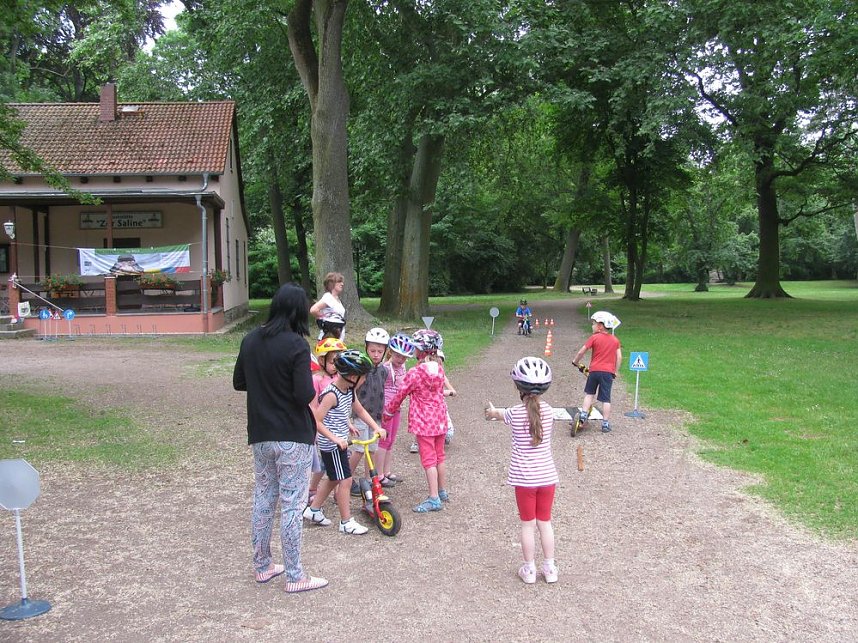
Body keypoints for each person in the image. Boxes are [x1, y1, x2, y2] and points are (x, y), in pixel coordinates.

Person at [233, 283, 328, 594]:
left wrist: (266, 387)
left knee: (264, 499)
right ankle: (296, 576)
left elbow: (239, 382)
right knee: (292, 504)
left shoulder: (250, 340)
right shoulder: (297, 346)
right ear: (299, 312)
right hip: (293, 436)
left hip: (261, 434)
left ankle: (262, 567)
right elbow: (303, 394)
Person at [484, 356, 559, 584]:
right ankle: (550, 568)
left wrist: (491, 410)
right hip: (547, 477)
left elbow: (497, 414)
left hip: (524, 480)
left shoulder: (514, 413)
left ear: (518, 386)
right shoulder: (549, 412)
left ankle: (529, 570)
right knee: (544, 522)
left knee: (527, 524)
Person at [303, 349, 386, 535]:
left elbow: (361, 411)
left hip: (338, 442)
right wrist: (335, 438)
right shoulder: (331, 394)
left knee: (333, 478)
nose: (364, 381)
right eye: (362, 377)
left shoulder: (348, 392)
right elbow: (316, 421)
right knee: (346, 481)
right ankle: (346, 522)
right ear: (352, 376)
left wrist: (376, 427)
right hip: (331, 445)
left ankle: (313, 510)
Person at [384, 329, 449, 513]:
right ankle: (442, 491)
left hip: (424, 422)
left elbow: (400, 394)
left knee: (429, 460)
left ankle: (434, 498)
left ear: (421, 350)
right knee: (440, 456)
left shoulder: (415, 373)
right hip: (440, 420)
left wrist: (388, 411)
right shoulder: (439, 369)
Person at [348, 328, 390, 496]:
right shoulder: (361, 370)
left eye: (380, 351)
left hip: (376, 417)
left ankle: (369, 482)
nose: (376, 354)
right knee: (358, 450)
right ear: (366, 348)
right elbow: (351, 392)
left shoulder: (384, 370)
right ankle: (346, 479)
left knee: (371, 450)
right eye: (372, 350)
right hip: (360, 416)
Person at [308, 337, 347, 504]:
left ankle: (339, 493)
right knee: (323, 464)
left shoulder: (338, 379)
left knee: (336, 463)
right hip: (322, 428)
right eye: (333, 362)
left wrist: (349, 423)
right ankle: (312, 489)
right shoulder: (317, 379)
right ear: (322, 360)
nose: (336, 366)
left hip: (337, 428)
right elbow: (313, 406)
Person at [572, 311, 622, 433]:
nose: (592, 325)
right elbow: (619, 357)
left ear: (600, 325)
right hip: (608, 373)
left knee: (589, 393)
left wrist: (576, 361)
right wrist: (615, 371)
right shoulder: (615, 340)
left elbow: (581, 351)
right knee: (606, 399)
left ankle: (583, 414)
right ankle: (605, 424)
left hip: (594, 371)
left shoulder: (594, 338)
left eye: (594, 323)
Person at [376, 332, 414, 485]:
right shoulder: (385, 368)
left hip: (396, 408)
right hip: (386, 409)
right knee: (383, 441)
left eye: (404, 357)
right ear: (391, 352)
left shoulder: (402, 367)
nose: (401, 360)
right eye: (398, 356)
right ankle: (379, 475)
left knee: (391, 440)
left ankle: (387, 471)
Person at [310, 272, 346, 339]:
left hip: (337, 338)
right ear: (331, 284)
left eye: (342, 282)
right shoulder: (328, 297)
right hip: (328, 339)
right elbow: (313, 310)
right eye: (339, 282)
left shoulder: (336, 298)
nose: (342, 284)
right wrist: (323, 318)